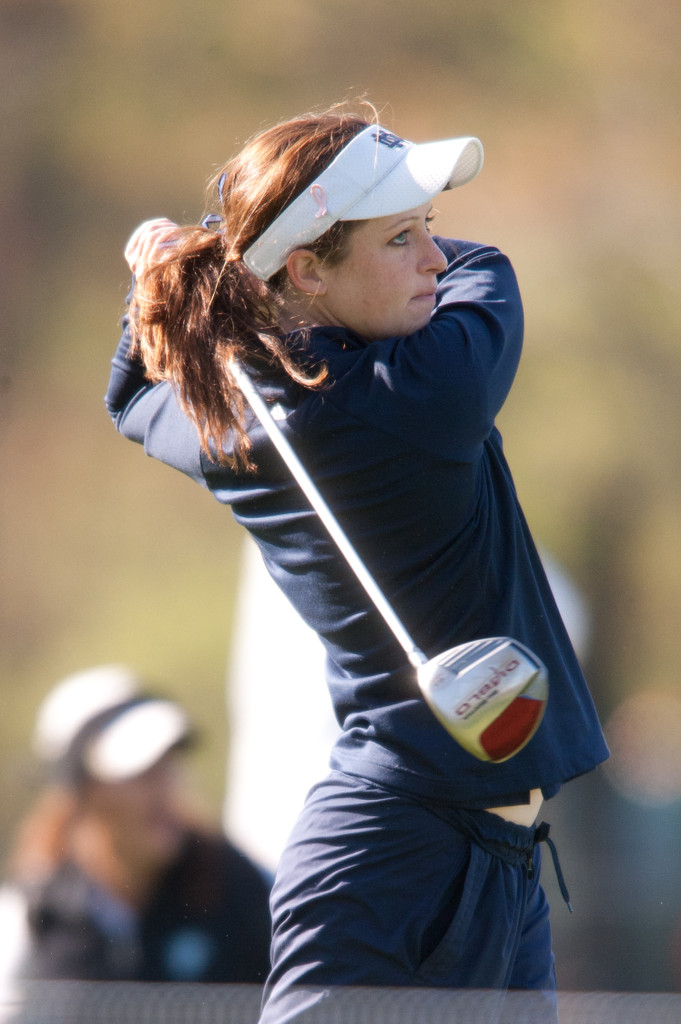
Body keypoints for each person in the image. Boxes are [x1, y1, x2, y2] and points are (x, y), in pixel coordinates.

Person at [106, 105, 609, 1021]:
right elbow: (487, 265)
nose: (432, 258)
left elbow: (135, 393)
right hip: (390, 863)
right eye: (400, 239)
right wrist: (217, 253)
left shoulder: (233, 428)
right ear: (305, 269)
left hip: (483, 862)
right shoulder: (427, 391)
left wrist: (187, 273)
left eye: (425, 231)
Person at [1, 664, 271, 985]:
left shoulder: (236, 882)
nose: (164, 786)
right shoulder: (31, 921)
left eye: (168, 761)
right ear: (82, 793)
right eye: (139, 770)